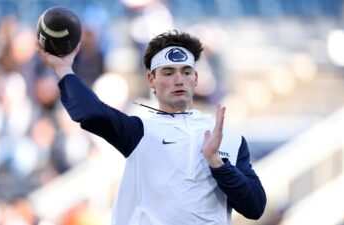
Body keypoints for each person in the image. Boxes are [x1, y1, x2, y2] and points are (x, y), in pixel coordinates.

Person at [38, 30, 266, 225]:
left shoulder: (229, 139)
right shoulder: (140, 131)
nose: (178, 80)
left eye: (186, 72)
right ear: (151, 80)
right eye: (168, 72)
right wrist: (64, 69)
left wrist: (216, 162)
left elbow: (255, 207)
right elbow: (92, 112)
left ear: (196, 78)